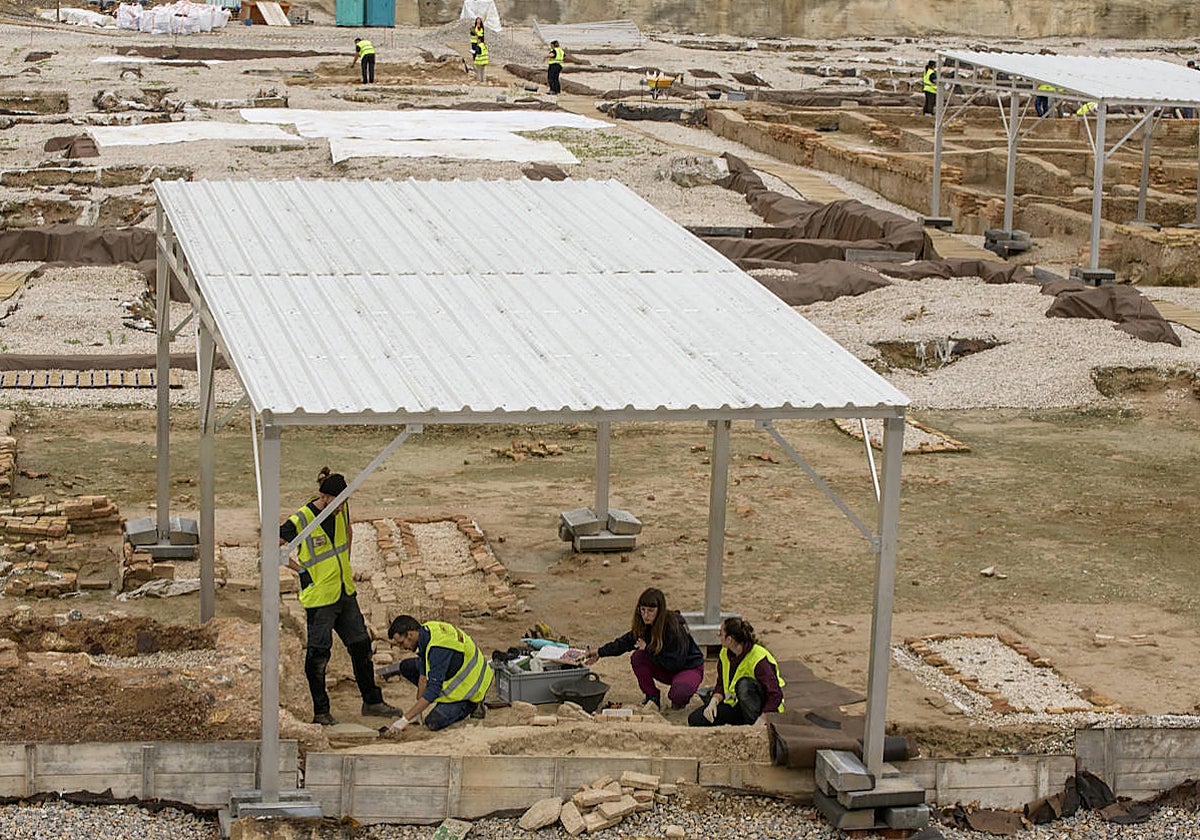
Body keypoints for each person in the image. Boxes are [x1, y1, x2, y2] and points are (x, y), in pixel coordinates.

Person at [280, 467, 399, 726]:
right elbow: (271, 543)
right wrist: (300, 571)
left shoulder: (341, 507)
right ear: (323, 497)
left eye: (344, 501)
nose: (340, 507)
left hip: (344, 592)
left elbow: (347, 533)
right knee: (319, 656)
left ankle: (372, 701)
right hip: (320, 598)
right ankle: (321, 711)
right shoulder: (302, 519)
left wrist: (344, 561)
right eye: (336, 502)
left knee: (361, 646)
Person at [584, 587, 704, 710]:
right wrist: (599, 652)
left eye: (651, 611)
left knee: (679, 694)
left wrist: (648, 649)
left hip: (687, 667)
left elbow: (675, 663)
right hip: (664, 665)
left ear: (660, 610)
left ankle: (679, 699)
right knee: (638, 657)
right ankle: (652, 697)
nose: (646, 615)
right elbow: (624, 643)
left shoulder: (674, 627)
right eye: (643, 610)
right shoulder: (644, 625)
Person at [386, 615, 493, 732]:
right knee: (406, 666)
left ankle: (473, 705)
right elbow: (423, 673)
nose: (402, 648)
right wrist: (417, 712)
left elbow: (433, 690)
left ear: (410, 634)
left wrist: (404, 720)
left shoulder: (439, 649)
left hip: (471, 687)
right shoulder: (426, 632)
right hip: (452, 668)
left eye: (401, 643)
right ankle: (431, 704)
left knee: (433, 722)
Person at [688, 617, 784, 727]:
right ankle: (744, 723)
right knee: (696, 719)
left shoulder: (759, 658)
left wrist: (763, 718)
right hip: (737, 705)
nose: (719, 636)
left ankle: (753, 725)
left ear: (730, 640)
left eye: (721, 633)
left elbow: (775, 694)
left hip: (761, 707)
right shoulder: (724, 654)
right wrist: (714, 701)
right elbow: (721, 684)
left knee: (743, 685)